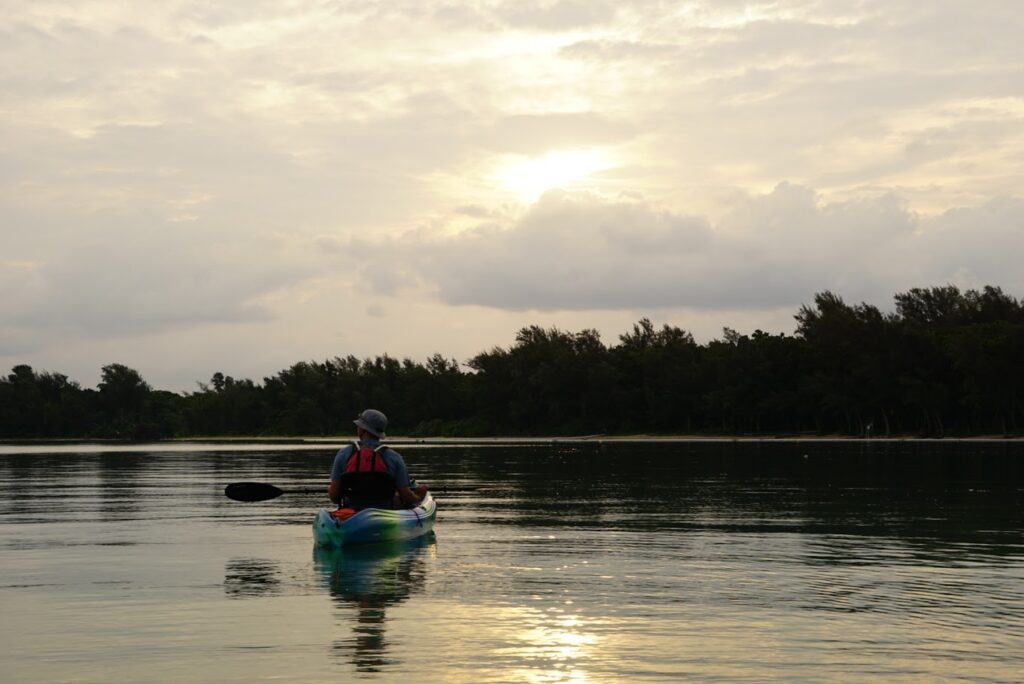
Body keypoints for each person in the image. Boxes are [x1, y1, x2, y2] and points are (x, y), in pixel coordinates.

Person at [328, 409, 427, 510]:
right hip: (384, 513)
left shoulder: (343, 454)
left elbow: (334, 497)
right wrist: (418, 497)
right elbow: (406, 497)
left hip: (352, 514)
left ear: (362, 430)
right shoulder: (394, 457)